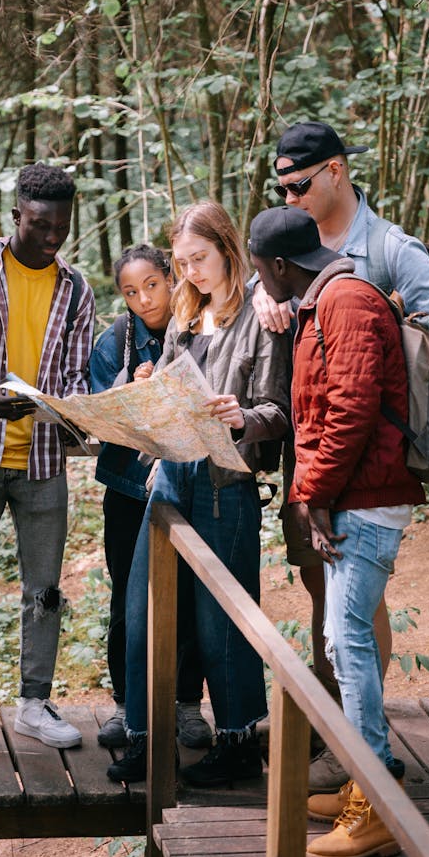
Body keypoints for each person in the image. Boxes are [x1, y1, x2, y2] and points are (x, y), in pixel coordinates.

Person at [252, 119, 429, 792]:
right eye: (280, 188)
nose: (289, 197)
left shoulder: (385, 250)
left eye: (297, 185)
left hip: (361, 469)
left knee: (353, 619)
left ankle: (364, 769)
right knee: (328, 605)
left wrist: (407, 415)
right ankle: (349, 744)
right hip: (317, 463)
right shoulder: (294, 256)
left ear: (335, 172)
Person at [249, 204, 426, 857]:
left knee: (346, 639)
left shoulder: (345, 304)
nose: (257, 281)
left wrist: (313, 493)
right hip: (353, 493)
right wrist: (315, 495)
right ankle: (364, 776)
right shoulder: (325, 300)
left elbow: (350, 409)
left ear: (280, 266)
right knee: (340, 637)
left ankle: (376, 803)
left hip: (369, 497)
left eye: (259, 269)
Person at [107, 202, 291, 787]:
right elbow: (168, 386)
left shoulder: (261, 318)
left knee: (221, 623)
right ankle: (143, 739)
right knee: (141, 611)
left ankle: (238, 741)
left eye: (200, 259)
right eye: (182, 262)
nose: (191, 273)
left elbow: (280, 411)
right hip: (169, 474)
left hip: (225, 480)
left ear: (228, 249)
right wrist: (145, 388)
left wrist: (244, 416)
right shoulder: (185, 315)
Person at [0, 162, 95, 759]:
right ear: (15, 217)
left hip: (44, 461)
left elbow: (76, 374)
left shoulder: (77, 289)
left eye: (61, 226)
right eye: (40, 225)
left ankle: (34, 703)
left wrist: (78, 406)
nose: (52, 237)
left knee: (44, 590)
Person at [89, 244, 211, 751]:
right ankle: (126, 704)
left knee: (189, 595)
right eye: (131, 292)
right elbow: (99, 413)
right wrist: (130, 385)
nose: (144, 300)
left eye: (152, 286)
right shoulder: (113, 341)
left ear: (171, 275)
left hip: (188, 482)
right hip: (128, 489)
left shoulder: (203, 325)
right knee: (126, 598)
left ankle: (186, 705)